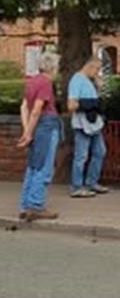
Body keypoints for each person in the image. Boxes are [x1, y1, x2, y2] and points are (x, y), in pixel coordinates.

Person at [18, 52, 62, 221]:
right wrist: (29, 133)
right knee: (44, 167)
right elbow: (37, 109)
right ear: (52, 67)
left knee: (33, 166)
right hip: (46, 127)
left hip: (35, 127)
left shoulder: (31, 81)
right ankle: (36, 205)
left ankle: (25, 204)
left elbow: (24, 107)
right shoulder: (46, 82)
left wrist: (26, 130)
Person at [68, 56, 108, 198]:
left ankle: (91, 181)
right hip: (82, 123)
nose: (97, 73)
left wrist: (98, 87)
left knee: (100, 152)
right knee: (81, 155)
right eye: (97, 69)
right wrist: (88, 104)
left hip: (94, 123)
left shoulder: (89, 81)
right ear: (89, 66)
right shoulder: (77, 80)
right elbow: (71, 105)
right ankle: (76, 186)